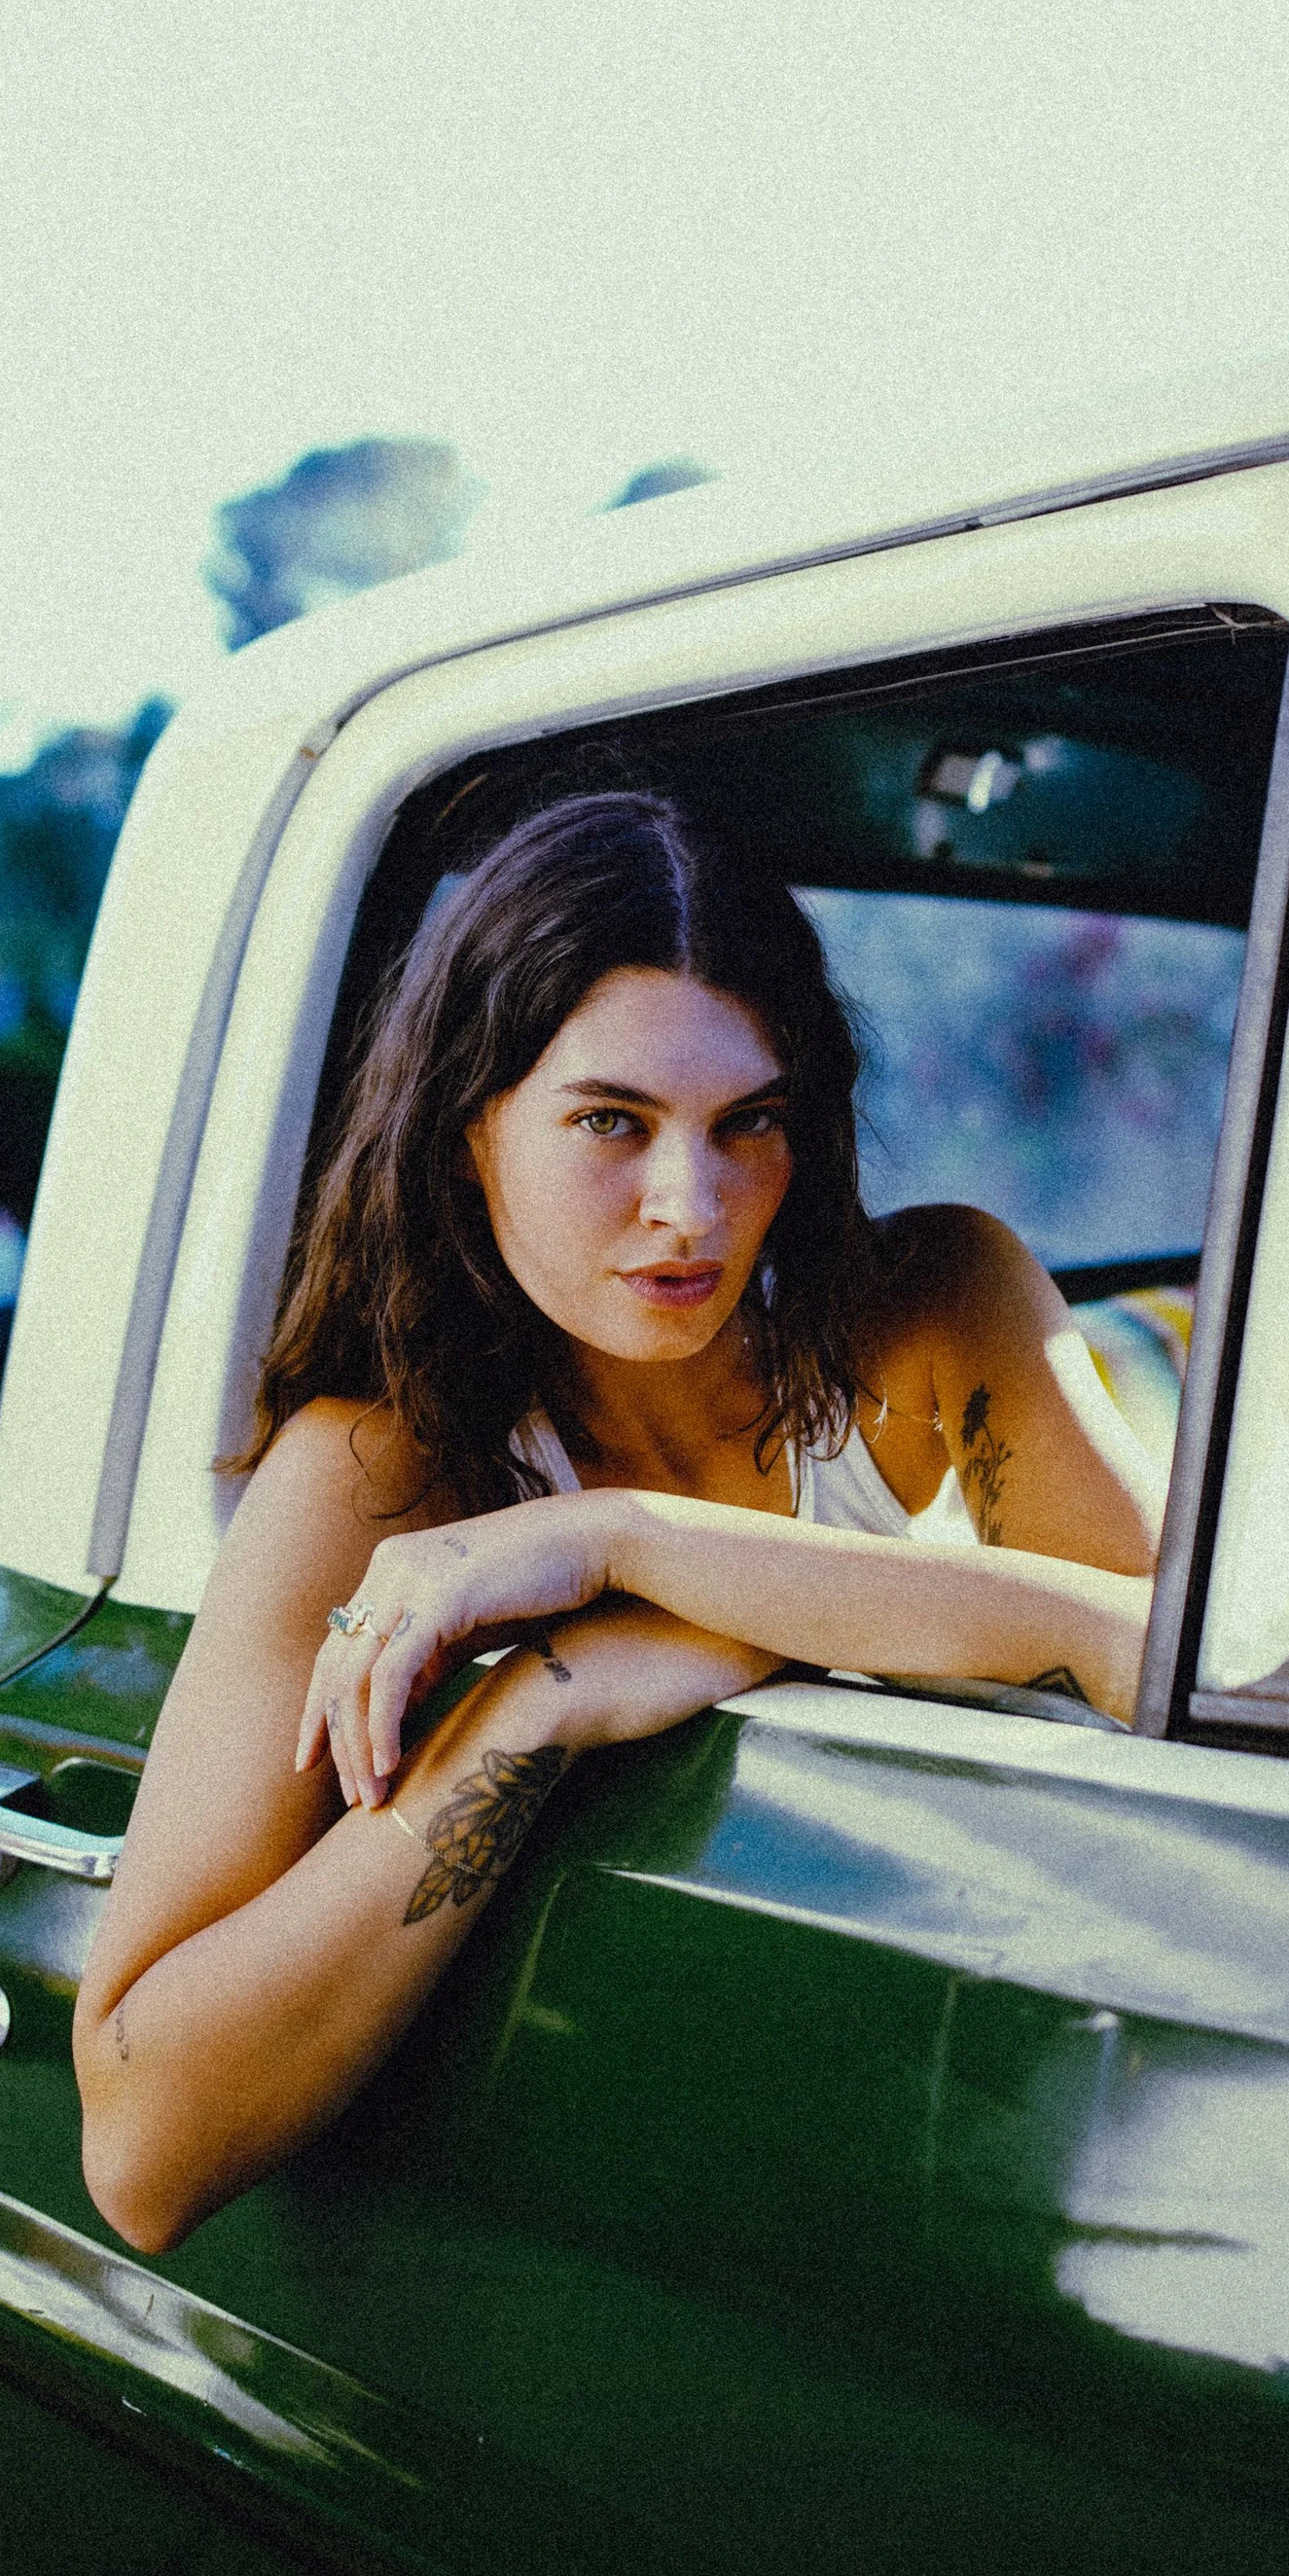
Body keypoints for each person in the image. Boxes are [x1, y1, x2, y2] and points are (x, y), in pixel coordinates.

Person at [75, 790, 1164, 2252]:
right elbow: (141, 2153)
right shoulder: (379, 1477)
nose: (691, 1206)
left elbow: (1154, 1659)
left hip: (1037, 2131)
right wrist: (535, 1706)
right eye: (610, 1121)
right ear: (470, 1128)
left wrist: (632, 1544)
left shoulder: (937, 1316)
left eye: (748, 1124)